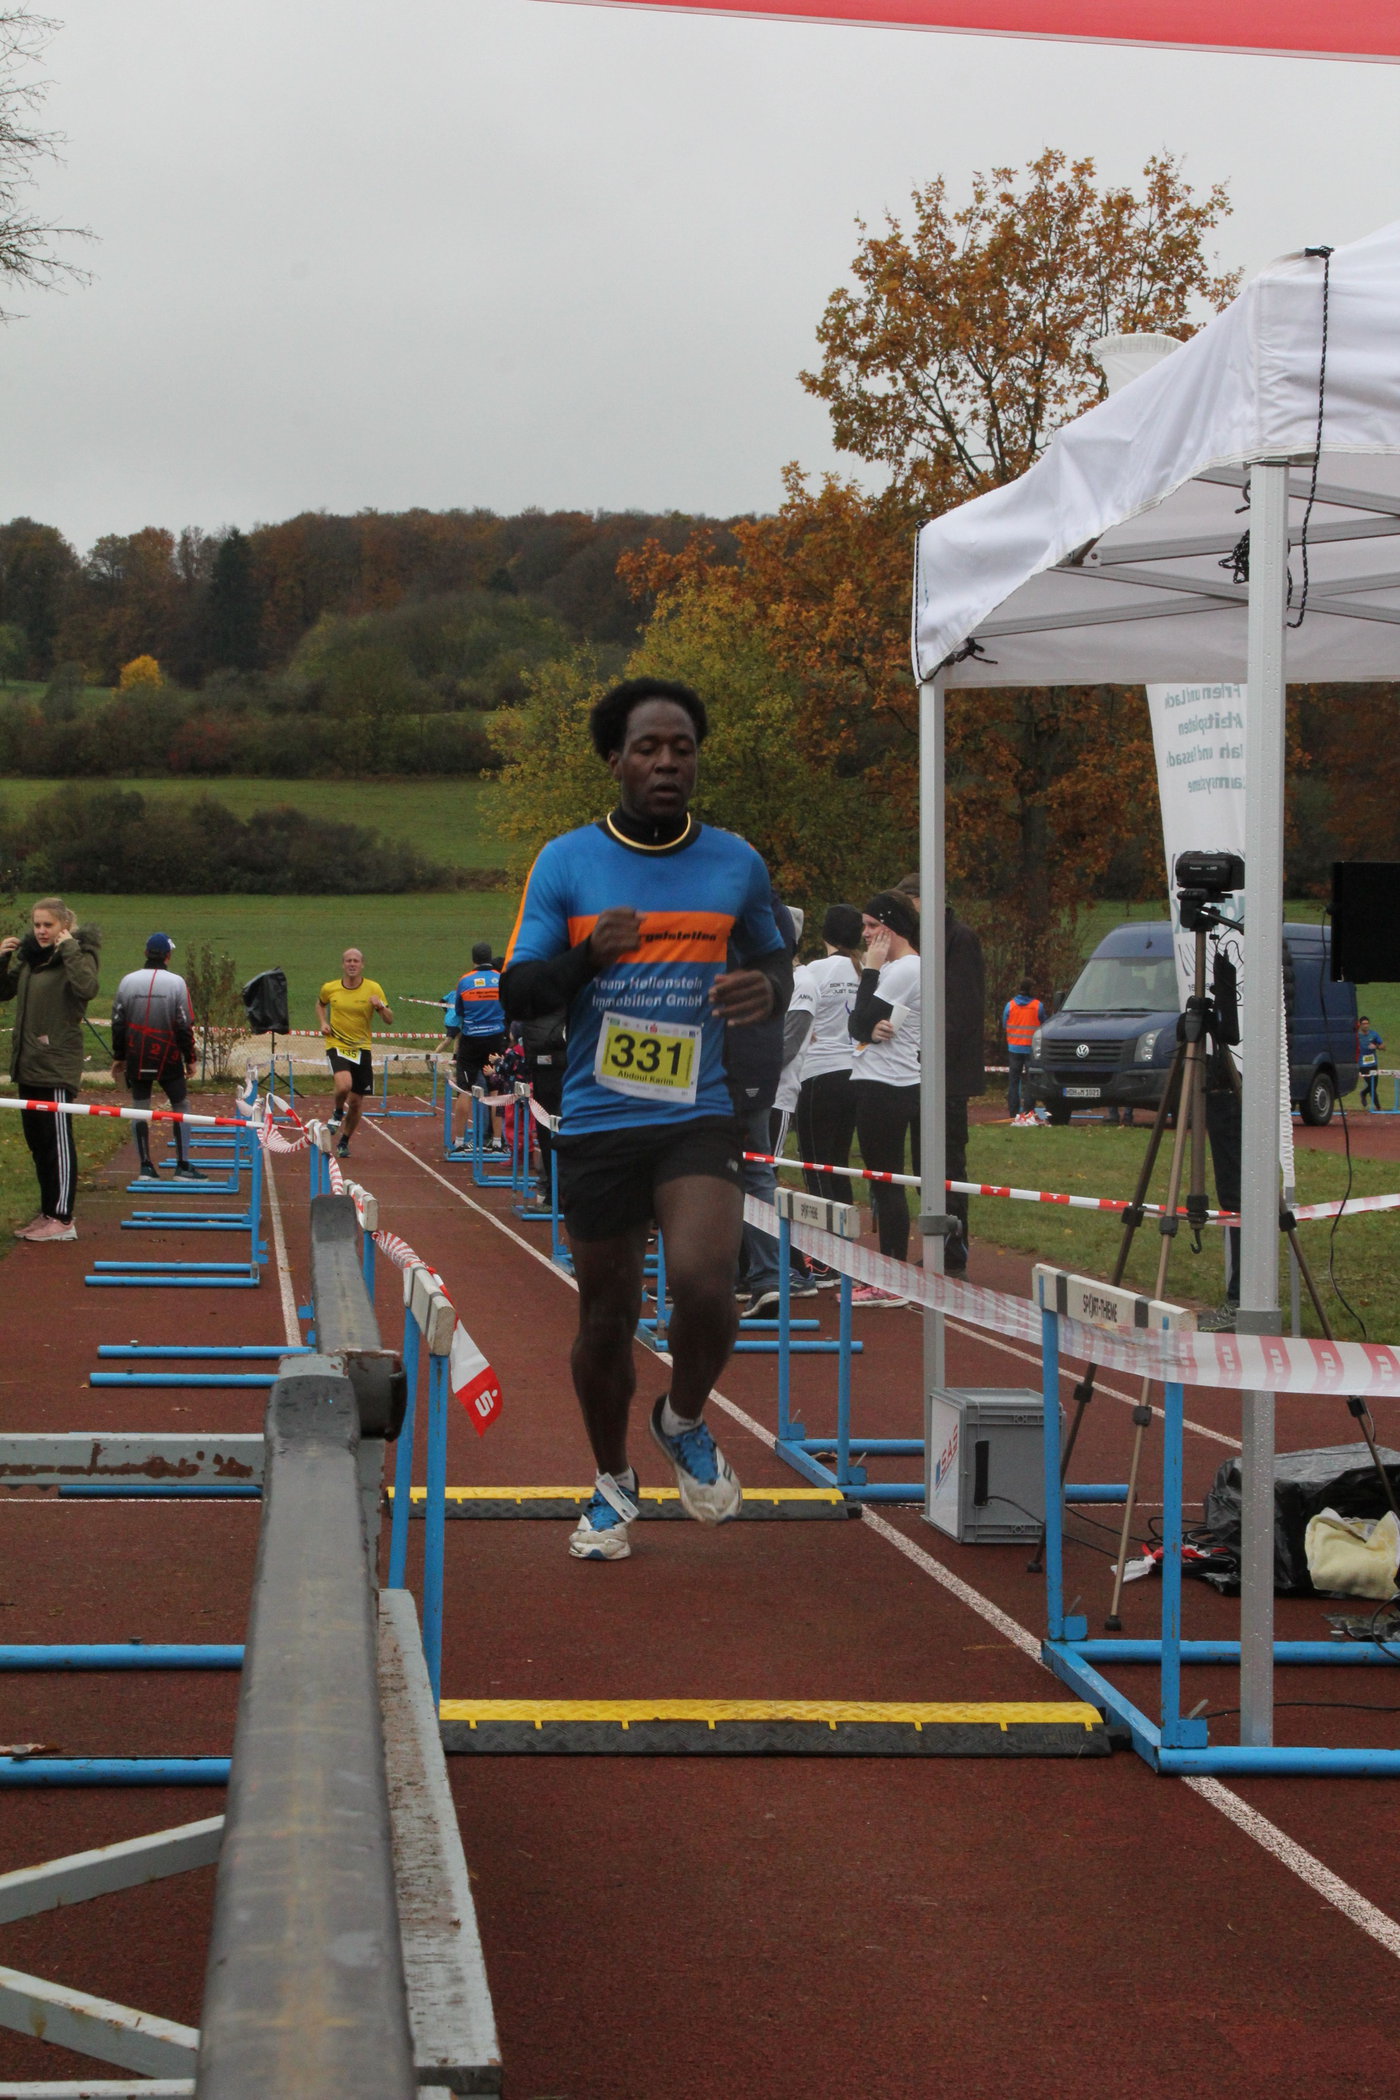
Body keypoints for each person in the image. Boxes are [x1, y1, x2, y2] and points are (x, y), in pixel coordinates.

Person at [501, 674, 791, 1562]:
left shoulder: (736, 863)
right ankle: (612, 1479)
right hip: (598, 1118)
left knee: (706, 1281)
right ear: (615, 761)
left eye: (682, 749)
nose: (667, 763)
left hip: (697, 1111)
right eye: (648, 749)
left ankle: (683, 1417)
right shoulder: (567, 862)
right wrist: (589, 956)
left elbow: (777, 963)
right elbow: (521, 991)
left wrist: (764, 989)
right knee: (607, 1317)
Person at [892, 873, 986, 1273]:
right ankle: (937, 1245)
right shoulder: (915, 944)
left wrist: (930, 1055)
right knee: (922, 1165)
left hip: (948, 1076)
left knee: (948, 1165)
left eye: (907, 902)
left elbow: (962, 1009)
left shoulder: (959, 939)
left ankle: (953, 1250)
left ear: (922, 900)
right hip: (917, 1073)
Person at [0, 896, 101, 1242]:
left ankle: (63, 1218)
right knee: (39, 1144)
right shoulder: (32, 958)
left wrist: (69, 948)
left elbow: (87, 988)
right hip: (28, 1063)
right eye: (37, 924)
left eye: (48, 925)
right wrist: (3, 959)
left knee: (57, 1143)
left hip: (56, 1064)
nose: (41, 931)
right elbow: (3, 991)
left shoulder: (79, 955)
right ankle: (47, 1212)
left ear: (64, 926)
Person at [848, 892, 923, 1307]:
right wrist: (863, 1027)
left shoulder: (904, 968)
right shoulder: (900, 968)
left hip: (888, 1083)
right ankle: (891, 1274)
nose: (865, 933)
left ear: (891, 928)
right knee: (883, 1181)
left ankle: (892, 1279)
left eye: (872, 925)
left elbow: (859, 1019)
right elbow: (859, 1024)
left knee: (886, 1181)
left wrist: (871, 970)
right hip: (882, 1080)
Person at [110, 934, 203, 1181]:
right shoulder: (177, 983)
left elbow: (118, 1023)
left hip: (137, 1056)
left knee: (140, 1108)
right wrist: (190, 1058)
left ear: (146, 953)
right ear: (168, 956)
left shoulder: (127, 981)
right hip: (168, 1057)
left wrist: (119, 1056)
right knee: (181, 1106)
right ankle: (183, 1165)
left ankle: (145, 1167)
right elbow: (184, 1025)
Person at [794, 904, 863, 1205]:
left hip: (819, 1072)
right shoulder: (865, 971)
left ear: (825, 933)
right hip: (854, 1072)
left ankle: (825, 1234)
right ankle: (844, 1231)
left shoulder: (814, 971)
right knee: (838, 1164)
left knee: (815, 1164)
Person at [316, 948, 393, 1158]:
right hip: (337, 1043)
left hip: (361, 1048)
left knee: (357, 1102)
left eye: (356, 961)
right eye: (348, 961)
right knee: (344, 1085)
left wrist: (380, 1007)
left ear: (362, 965)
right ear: (343, 964)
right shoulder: (330, 988)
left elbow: (389, 1019)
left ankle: (344, 1141)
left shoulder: (373, 988)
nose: (352, 964)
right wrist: (323, 1022)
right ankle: (337, 1112)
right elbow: (320, 1004)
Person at [447, 940, 507, 1153]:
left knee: (464, 1089)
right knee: (496, 1089)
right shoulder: (501, 979)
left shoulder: (465, 981)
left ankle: (460, 1141)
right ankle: (497, 1142)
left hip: (472, 1039)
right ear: (490, 958)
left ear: (473, 959)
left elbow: (459, 1011)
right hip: (496, 1039)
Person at [1003, 976, 1044, 1120]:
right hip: (1031, 1049)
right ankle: (1028, 1111)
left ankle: (1013, 1112)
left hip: (1014, 1048)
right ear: (1031, 989)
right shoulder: (1038, 1006)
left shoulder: (1010, 1006)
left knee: (1013, 1082)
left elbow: (1005, 1024)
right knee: (1030, 1081)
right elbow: (1044, 1025)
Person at [1358, 1016, 1384, 1111]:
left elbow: (1383, 1047)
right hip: (1362, 1065)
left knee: (1374, 1086)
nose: (1366, 1025)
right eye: (1364, 1024)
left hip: (1373, 1064)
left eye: (1367, 1023)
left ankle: (1363, 1093)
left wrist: (1376, 1046)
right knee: (1372, 1085)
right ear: (1360, 1025)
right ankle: (1378, 1107)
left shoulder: (1374, 1034)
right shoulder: (1357, 1036)